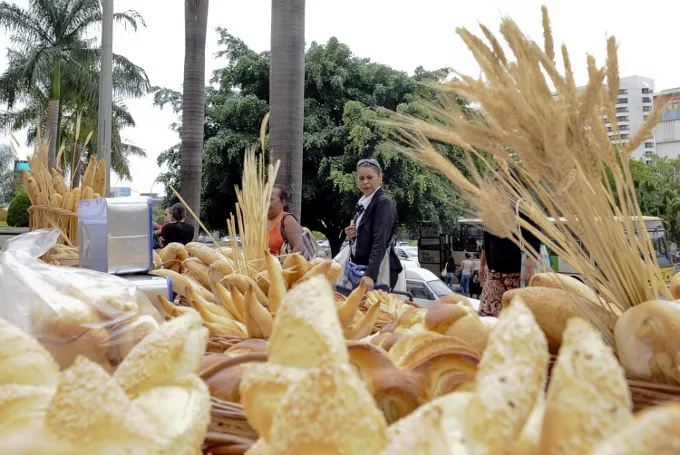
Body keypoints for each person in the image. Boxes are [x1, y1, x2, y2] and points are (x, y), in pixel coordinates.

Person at [478, 169, 541, 317]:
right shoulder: (491, 209)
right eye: (494, 180)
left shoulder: (523, 207)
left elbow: (534, 239)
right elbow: (487, 242)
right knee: (487, 316)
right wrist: (482, 266)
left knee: (515, 318)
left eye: (500, 180)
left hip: (517, 276)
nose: (495, 184)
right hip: (495, 276)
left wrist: (529, 270)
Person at [344, 158, 403, 292]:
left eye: (370, 177)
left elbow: (380, 241)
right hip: (361, 268)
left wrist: (371, 275)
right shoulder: (363, 204)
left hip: (377, 271)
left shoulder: (383, 203)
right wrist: (353, 235)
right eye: (361, 178)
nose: (365, 182)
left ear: (380, 177)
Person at [267, 185, 304, 256]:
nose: (266, 202)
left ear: (282, 202)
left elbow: (299, 249)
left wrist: (285, 266)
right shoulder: (258, 222)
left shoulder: (287, 220)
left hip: (278, 266)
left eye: (270, 199)